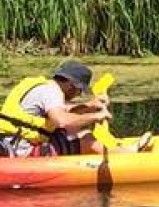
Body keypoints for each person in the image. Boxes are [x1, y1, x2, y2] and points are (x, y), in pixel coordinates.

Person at [0, 61, 148, 157]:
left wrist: (89, 106)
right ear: (71, 84)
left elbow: (61, 114)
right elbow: (62, 121)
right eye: (79, 91)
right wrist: (96, 116)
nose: (79, 94)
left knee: (78, 132)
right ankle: (126, 156)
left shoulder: (45, 87)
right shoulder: (52, 92)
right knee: (86, 138)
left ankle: (117, 151)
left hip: (10, 144)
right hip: (21, 151)